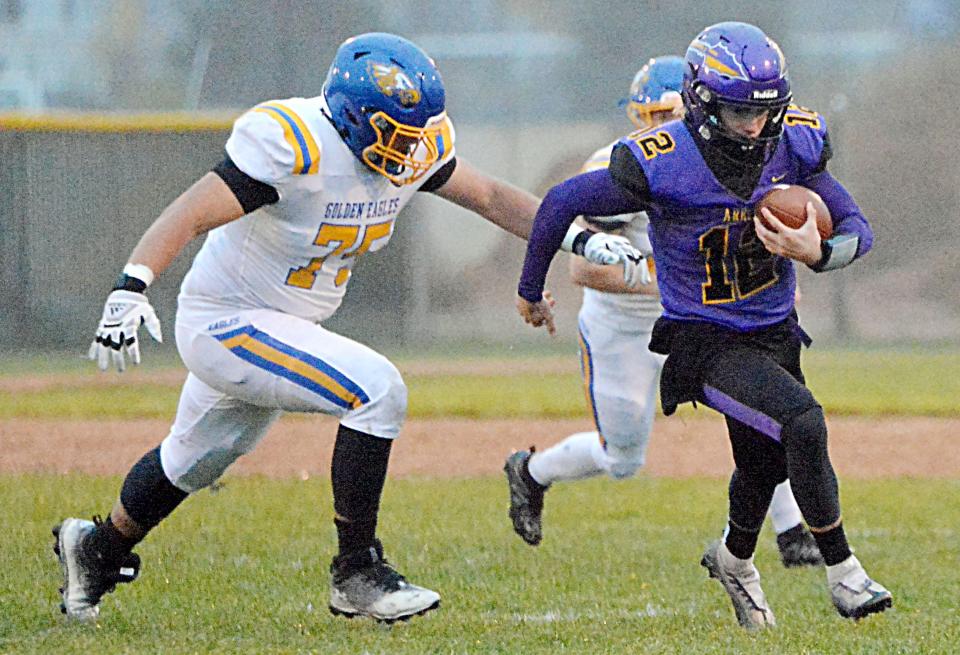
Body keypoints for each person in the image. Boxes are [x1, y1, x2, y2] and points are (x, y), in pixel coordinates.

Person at [53, 32, 640, 624]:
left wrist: (579, 236)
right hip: (227, 320)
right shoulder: (294, 143)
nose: (410, 149)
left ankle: (98, 547)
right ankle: (356, 571)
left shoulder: (416, 144)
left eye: (416, 133)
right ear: (354, 115)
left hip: (287, 325)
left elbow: (490, 196)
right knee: (377, 389)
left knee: (195, 460)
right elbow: (190, 210)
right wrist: (131, 286)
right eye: (395, 132)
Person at [513, 22, 892, 628]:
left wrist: (814, 252)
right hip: (704, 338)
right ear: (703, 100)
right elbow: (560, 201)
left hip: (775, 328)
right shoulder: (664, 162)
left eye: (766, 112)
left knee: (764, 462)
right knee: (803, 421)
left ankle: (734, 560)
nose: (755, 126)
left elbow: (858, 230)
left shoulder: (792, 142)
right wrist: (530, 290)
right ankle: (845, 574)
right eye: (741, 111)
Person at [504, 55, 824, 569]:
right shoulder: (624, 165)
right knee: (623, 458)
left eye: (670, 114)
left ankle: (791, 533)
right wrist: (675, 281)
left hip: (705, 324)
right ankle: (532, 472)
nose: (663, 129)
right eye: (651, 117)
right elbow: (585, 272)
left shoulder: (742, 155)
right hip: (623, 327)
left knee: (765, 412)